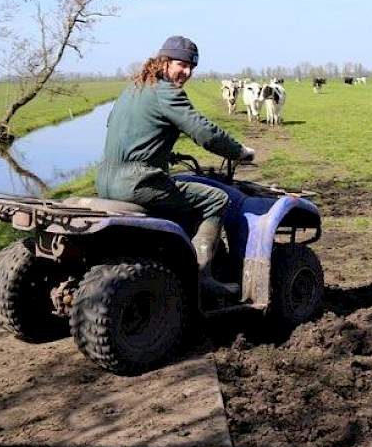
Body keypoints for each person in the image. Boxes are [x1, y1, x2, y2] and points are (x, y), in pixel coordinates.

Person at [97, 35, 255, 297]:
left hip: (105, 180)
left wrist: (165, 156)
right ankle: (202, 275)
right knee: (216, 198)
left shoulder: (133, 89)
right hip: (138, 183)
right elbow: (204, 132)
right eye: (182, 64)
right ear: (164, 61)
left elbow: (130, 133)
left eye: (192, 67)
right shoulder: (166, 92)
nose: (187, 72)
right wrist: (239, 151)